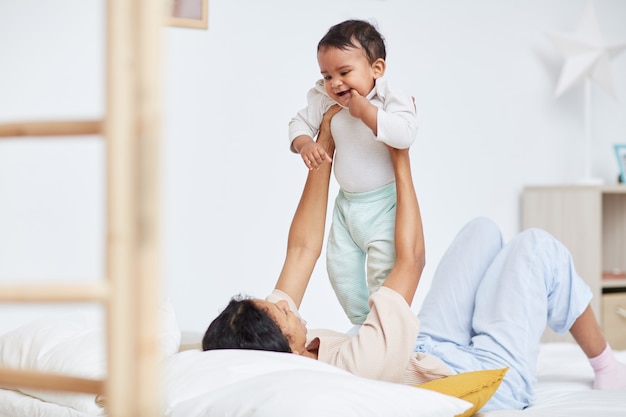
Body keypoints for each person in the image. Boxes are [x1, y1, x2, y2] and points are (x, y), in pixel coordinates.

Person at [203, 109, 626, 412]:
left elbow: (301, 249)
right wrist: (399, 157)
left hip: (427, 349)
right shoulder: (354, 364)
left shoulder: (289, 345)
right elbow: (412, 260)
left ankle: (502, 321)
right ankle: (607, 365)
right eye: (278, 312)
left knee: (482, 231)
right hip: (490, 377)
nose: (284, 303)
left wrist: (325, 146)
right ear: (286, 349)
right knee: (535, 247)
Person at [288, 19, 418, 325]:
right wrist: (306, 143)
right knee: (339, 269)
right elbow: (297, 123)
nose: (335, 83)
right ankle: (361, 323)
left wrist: (368, 113)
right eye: (327, 75)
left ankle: (382, 325)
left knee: (382, 271)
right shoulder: (323, 98)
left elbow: (405, 135)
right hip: (346, 207)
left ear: (376, 69)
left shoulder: (390, 99)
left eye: (344, 73)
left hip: (385, 206)